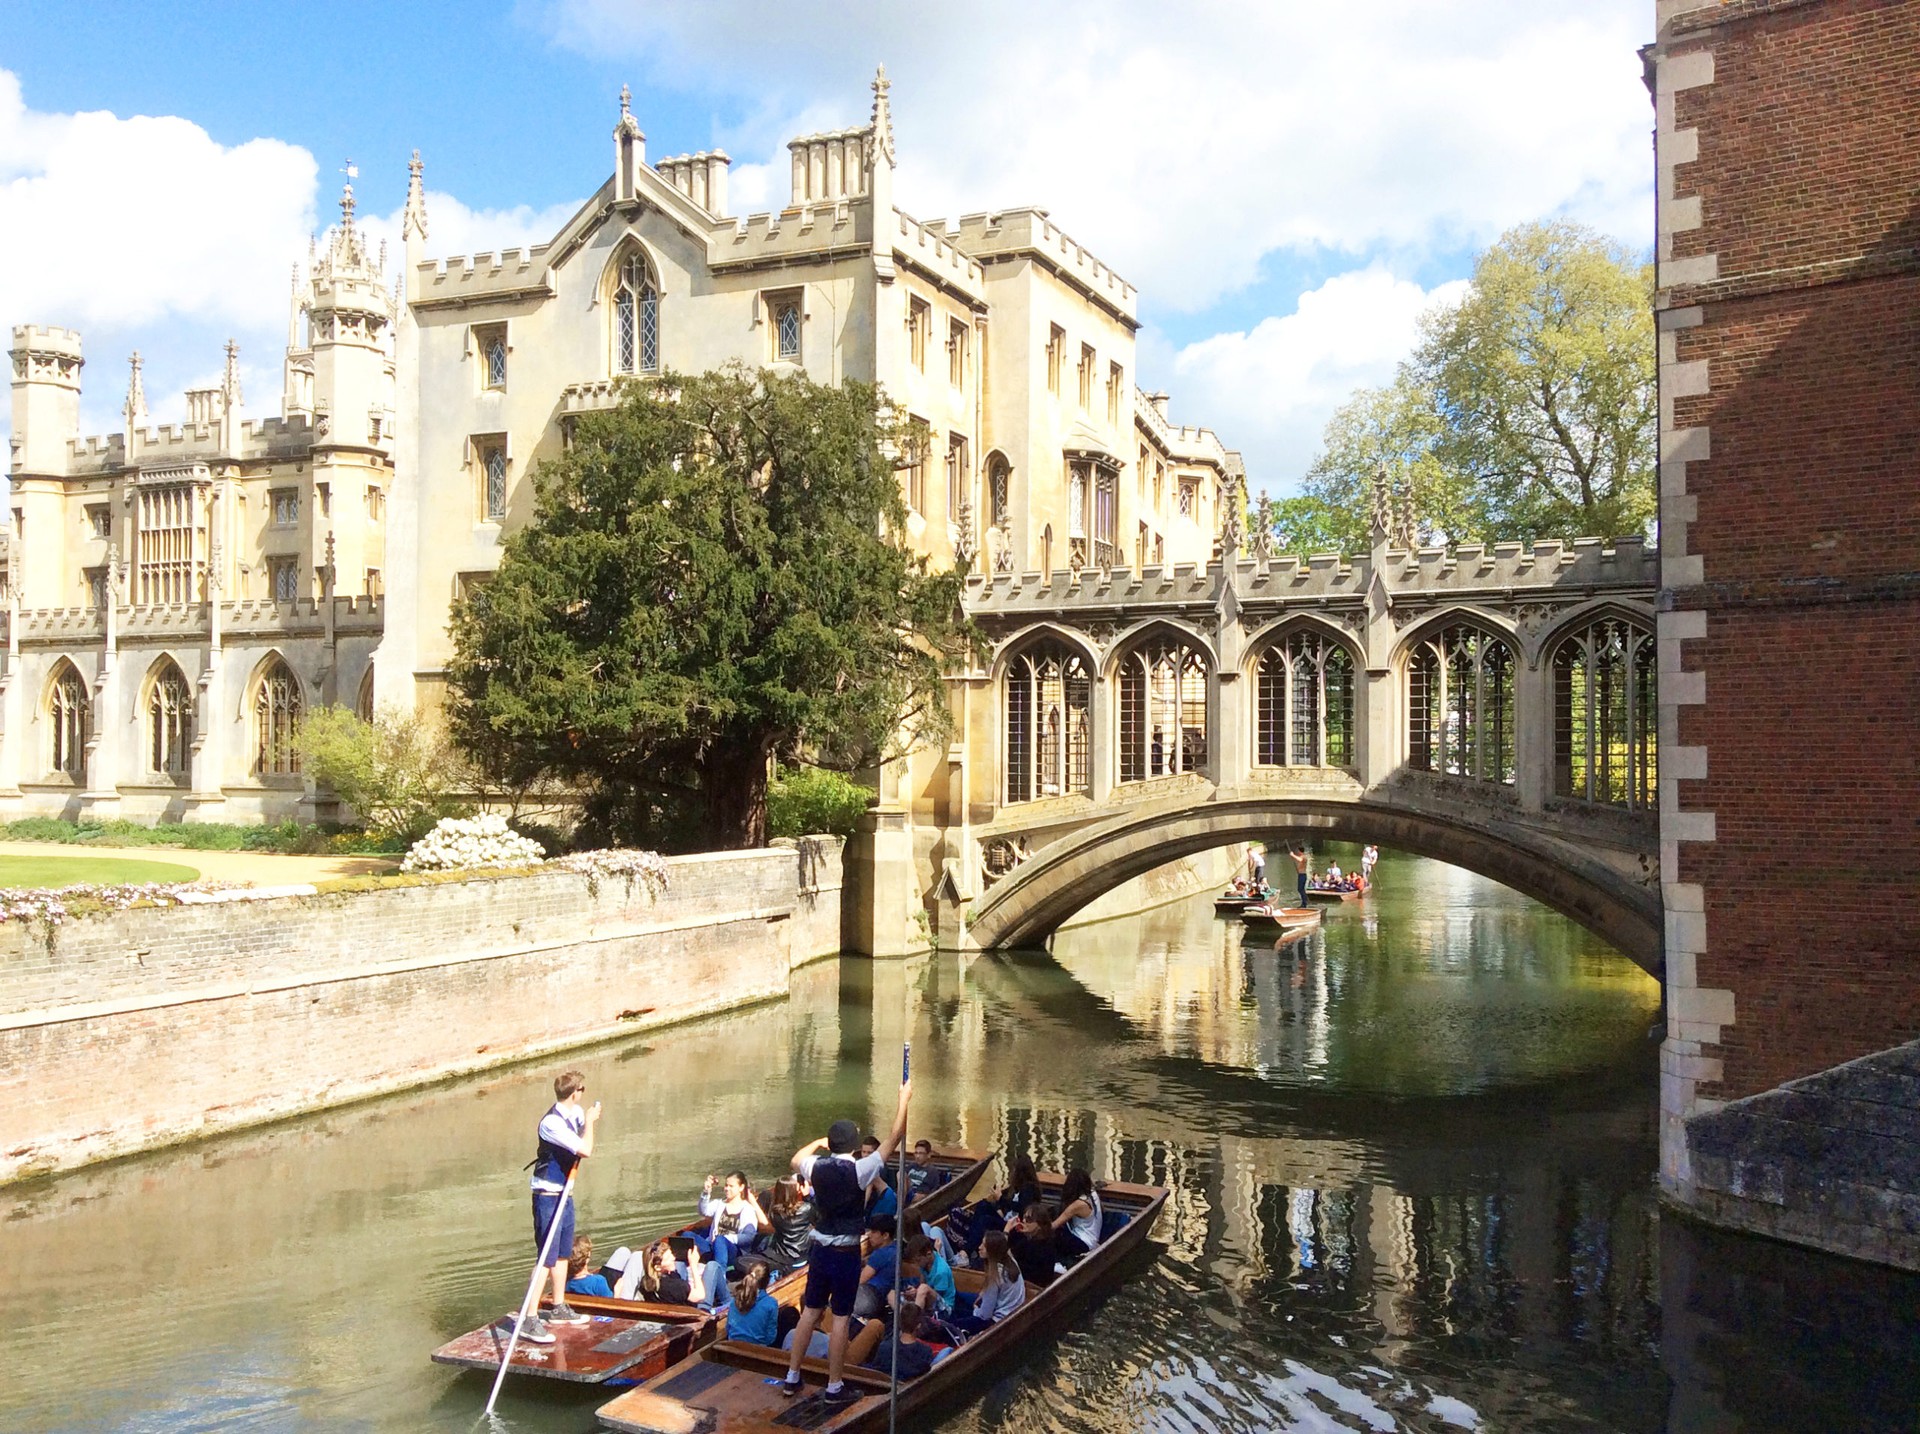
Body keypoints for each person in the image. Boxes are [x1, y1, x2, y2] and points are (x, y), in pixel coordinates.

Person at [779, 1077, 913, 1404]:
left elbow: (796, 1159)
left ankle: (792, 1377)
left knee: (810, 1313)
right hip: (845, 1253)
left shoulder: (816, 1167)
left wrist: (817, 1141)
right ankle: (834, 1386)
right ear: (854, 1145)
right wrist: (903, 1100)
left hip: (819, 1251)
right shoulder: (861, 1169)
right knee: (840, 1318)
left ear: (831, 1144)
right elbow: (894, 1137)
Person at [523, 1069, 601, 1341]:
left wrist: (586, 1119)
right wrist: (591, 1122)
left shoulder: (575, 1113)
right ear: (575, 1092)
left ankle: (558, 1306)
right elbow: (586, 1149)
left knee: (563, 1253)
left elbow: (579, 1128)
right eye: (582, 1090)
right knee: (546, 1258)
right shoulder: (551, 1124)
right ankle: (530, 1318)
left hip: (565, 1193)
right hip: (547, 1194)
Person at [949, 1230, 1025, 1334]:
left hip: (995, 1321)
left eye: (984, 1246)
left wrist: (976, 1310)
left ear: (992, 1250)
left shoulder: (996, 1275)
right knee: (960, 1297)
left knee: (953, 1323)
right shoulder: (1010, 1260)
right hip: (1008, 1309)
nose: (979, 1247)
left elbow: (985, 1315)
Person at [848, 1301, 936, 1381]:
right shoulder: (925, 1351)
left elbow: (876, 1368)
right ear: (919, 1325)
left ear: (899, 1323)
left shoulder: (885, 1348)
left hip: (886, 1386)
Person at [693, 1170, 760, 1274]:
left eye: (731, 1186)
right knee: (687, 1235)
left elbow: (749, 1237)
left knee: (720, 1240)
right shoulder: (720, 1204)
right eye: (726, 1185)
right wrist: (706, 1192)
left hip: (734, 1253)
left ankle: (720, 1275)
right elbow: (703, 1211)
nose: (727, 1189)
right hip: (713, 1246)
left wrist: (726, 1238)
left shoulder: (748, 1210)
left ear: (741, 1187)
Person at [762, 1176, 818, 1271]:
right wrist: (807, 1196)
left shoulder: (773, 1212)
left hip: (780, 1256)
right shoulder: (806, 1208)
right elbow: (819, 1220)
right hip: (801, 1257)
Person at [1049, 1169, 1104, 1264]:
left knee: (1055, 1234)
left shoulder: (1078, 1205)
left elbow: (1054, 1225)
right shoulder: (1093, 1194)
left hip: (1083, 1243)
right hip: (1092, 1240)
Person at [722, 1260, 782, 1347]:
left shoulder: (735, 1300)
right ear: (768, 1280)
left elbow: (728, 1329)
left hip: (733, 1348)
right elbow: (770, 1337)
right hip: (757, 1351)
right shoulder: (771, 1303)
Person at [853, 1213, 901, 1319]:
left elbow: (860, 1280)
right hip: (881, 1300)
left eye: (874, 1232)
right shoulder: (896, 1248)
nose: (869, 1235)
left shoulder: (880, 1254)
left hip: (870, 1299)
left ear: (885, 1235)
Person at [1007, 1204, 1061, 1291]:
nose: (1024, 1221)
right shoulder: (1031, 1240)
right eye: (1023, 1218)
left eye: (1029, 1220)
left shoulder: (1038, 1246)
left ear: (1039, 1225)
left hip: (1032, 1288)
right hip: (1026, 1283)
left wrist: (1006, 1232)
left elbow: (1004, 1255)